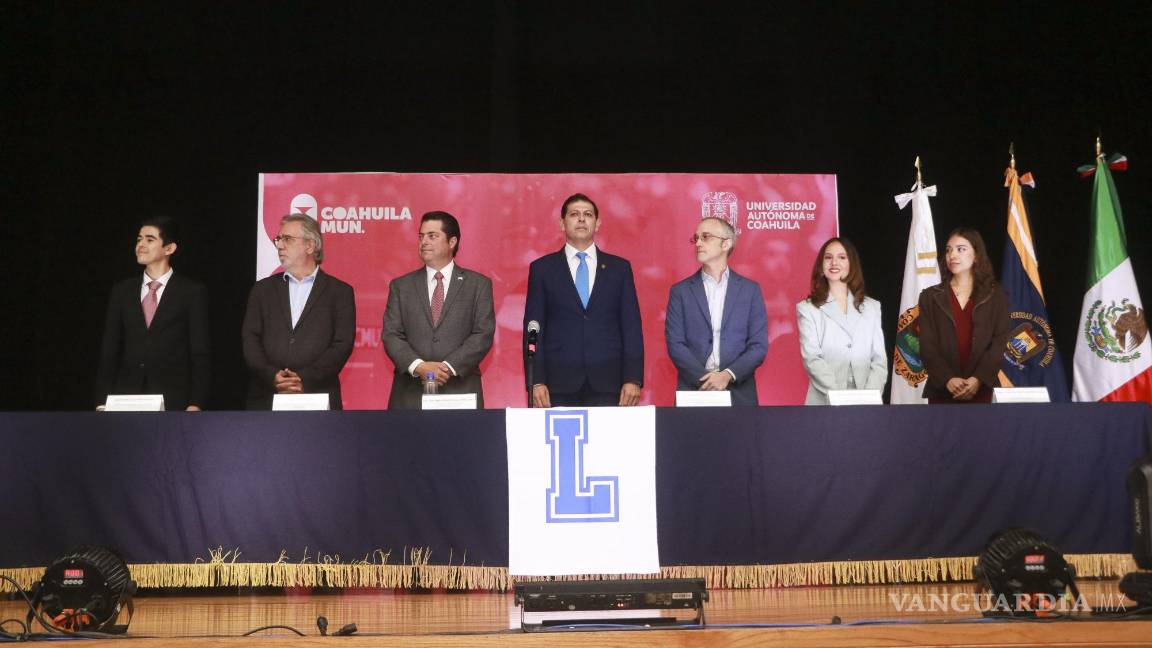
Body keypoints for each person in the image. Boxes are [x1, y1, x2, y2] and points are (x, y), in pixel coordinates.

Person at [524, 193, 644, 407]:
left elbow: (631, 327)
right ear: (562, 223)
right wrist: (537, 381)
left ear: (597, 224)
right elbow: (534, 328)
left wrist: (633, 378)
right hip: (557, 385)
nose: (581, 219)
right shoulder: (542, 269)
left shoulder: (619, 269)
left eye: (588, 214)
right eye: (574, 214)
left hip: (610, 384)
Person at [95, 216, 210, 411]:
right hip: (126, 399)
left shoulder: (191, 292)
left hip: (173, 400)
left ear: (169, 248)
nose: (141, 245)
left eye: (150, 239)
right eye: (139, 239)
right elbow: (110, 349)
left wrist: (196, 402)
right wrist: (101, 400)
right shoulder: (122, 291)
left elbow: (199, 352)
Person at [382, 211, 495, 409]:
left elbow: (483, 334)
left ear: (452, 242)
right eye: (421, 236)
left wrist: (446, 368)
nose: (424, 242)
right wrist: (420, 367)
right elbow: (391, 334)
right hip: (410, 394)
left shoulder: (478, 285)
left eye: (432, 236)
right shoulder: (400, 286)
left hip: (460, 390)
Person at [242, 214, 356, 410]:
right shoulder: (262, 290)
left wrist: (303, 378)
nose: (279, 245)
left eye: (287, 239)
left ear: (310, 246)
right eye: (278, 239)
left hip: (318, 396)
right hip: (266, 397)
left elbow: (342, 344)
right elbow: (250, 340)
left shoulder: (339, 292)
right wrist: (272, 375)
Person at [665, 217, 768, 405]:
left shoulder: (750, 290)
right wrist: (707, 380)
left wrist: (727, 375)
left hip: (739, 391)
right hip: (694, 389)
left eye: (706, 237)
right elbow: (676, 344)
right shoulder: (680, 291)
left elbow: (758, 346)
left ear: (726, 244)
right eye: (696, 238)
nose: (698, 243)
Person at [918, 227, 1011, 403]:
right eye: (948, 250)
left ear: (976, 255)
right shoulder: (930, 297)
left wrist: (977, 379)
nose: (952, 255)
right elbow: (927, 345)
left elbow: (999, 342)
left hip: (982, 390)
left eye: (960, 249)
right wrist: (947, 379)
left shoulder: (996, 295)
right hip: (942, 391)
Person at [795, 237, 887, 405]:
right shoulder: (807, 308)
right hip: (825, 400)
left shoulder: (872, 307)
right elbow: (812, 358)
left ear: (851, 264)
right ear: (821, 265)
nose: (834, 262)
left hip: (867, 402)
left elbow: (879, 360)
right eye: (828, 257)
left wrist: (868, 396)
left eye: (842, 257)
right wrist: (838, 396)